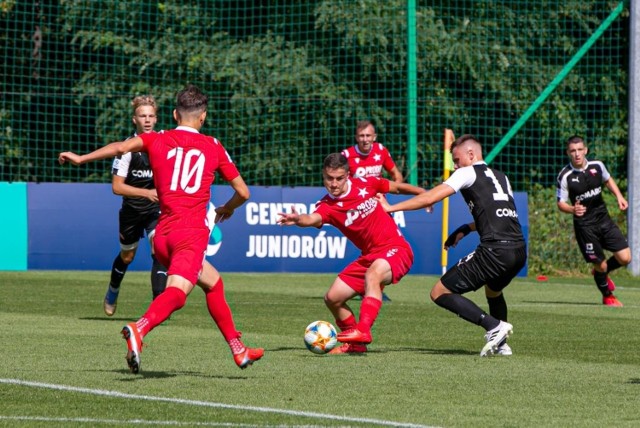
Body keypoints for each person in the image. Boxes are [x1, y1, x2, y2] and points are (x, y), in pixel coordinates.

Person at [58, 84, 264, 373]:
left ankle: (238, 349)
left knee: (214, 282)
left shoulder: (156, 139)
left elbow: (119, 148)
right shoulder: (213, 146)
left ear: (174, 114)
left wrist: (80, 158)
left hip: (163, 235)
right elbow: (243, 192)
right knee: (178, 294)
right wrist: (226, 208)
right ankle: (139, 328)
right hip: (189, 236)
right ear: (202, 117)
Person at [377, 134, 526, 357]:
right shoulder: (501, 177)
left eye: (456, 160)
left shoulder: (467, 172)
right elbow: (497, 217)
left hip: (495, 251)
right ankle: (502, 345)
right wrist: (466, 228)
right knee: (493, 291)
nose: (455, 166)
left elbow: (430, 198)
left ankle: (494, 326)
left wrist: (391, 208)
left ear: (471, 155)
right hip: (518, 251)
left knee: (439, 292)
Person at [277, 152, 425, 354]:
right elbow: (312, 218)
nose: (334, 184)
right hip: (369, 257)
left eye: (339, 178)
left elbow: (397, 187)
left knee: (373, 274)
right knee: (333, 298)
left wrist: (423, 193)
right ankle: (355, 345)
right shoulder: (327, 206)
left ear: (348, 175)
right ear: (324, 176)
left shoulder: (366, 183)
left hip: (396, 249)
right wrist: (298, 220)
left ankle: (363, 331)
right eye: (329, 178)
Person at [103, 95, 167, 317]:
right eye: (142, 116)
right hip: (132, 210)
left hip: (155, 210)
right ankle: (113, 289)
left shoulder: (164, 143)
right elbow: (117, 187)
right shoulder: (128, 149)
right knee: (127, 257)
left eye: (151, 116)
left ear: (156, 119)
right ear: (134, 119)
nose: (147, 120)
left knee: (159, 247)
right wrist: (146, 192)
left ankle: (159, 305)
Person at [556, 135, 630, 307]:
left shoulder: (597, 166)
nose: (577, 154)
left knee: (625, 258)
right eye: (573, 151)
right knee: (601, 265)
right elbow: (560, 203)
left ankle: (600, 273)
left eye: (580, 150)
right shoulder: (565, 175)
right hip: (585, 227)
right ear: (568, 153)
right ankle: (607, 296)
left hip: (604, 220)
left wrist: (619, 196)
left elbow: (608, 179)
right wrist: (572, 209)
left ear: (585, 150)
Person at [341, 120, 403, 302]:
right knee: (370, 248)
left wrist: (390, 190)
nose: (365, 139)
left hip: (380, 208)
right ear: (356, 137)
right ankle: (369, 285)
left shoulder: (381, 151)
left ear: (374, 137)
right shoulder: (346, 156)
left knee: (383, 246)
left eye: (368, 135)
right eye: (361, 136)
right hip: (360, 210)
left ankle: (373, 286)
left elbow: (396, 176)